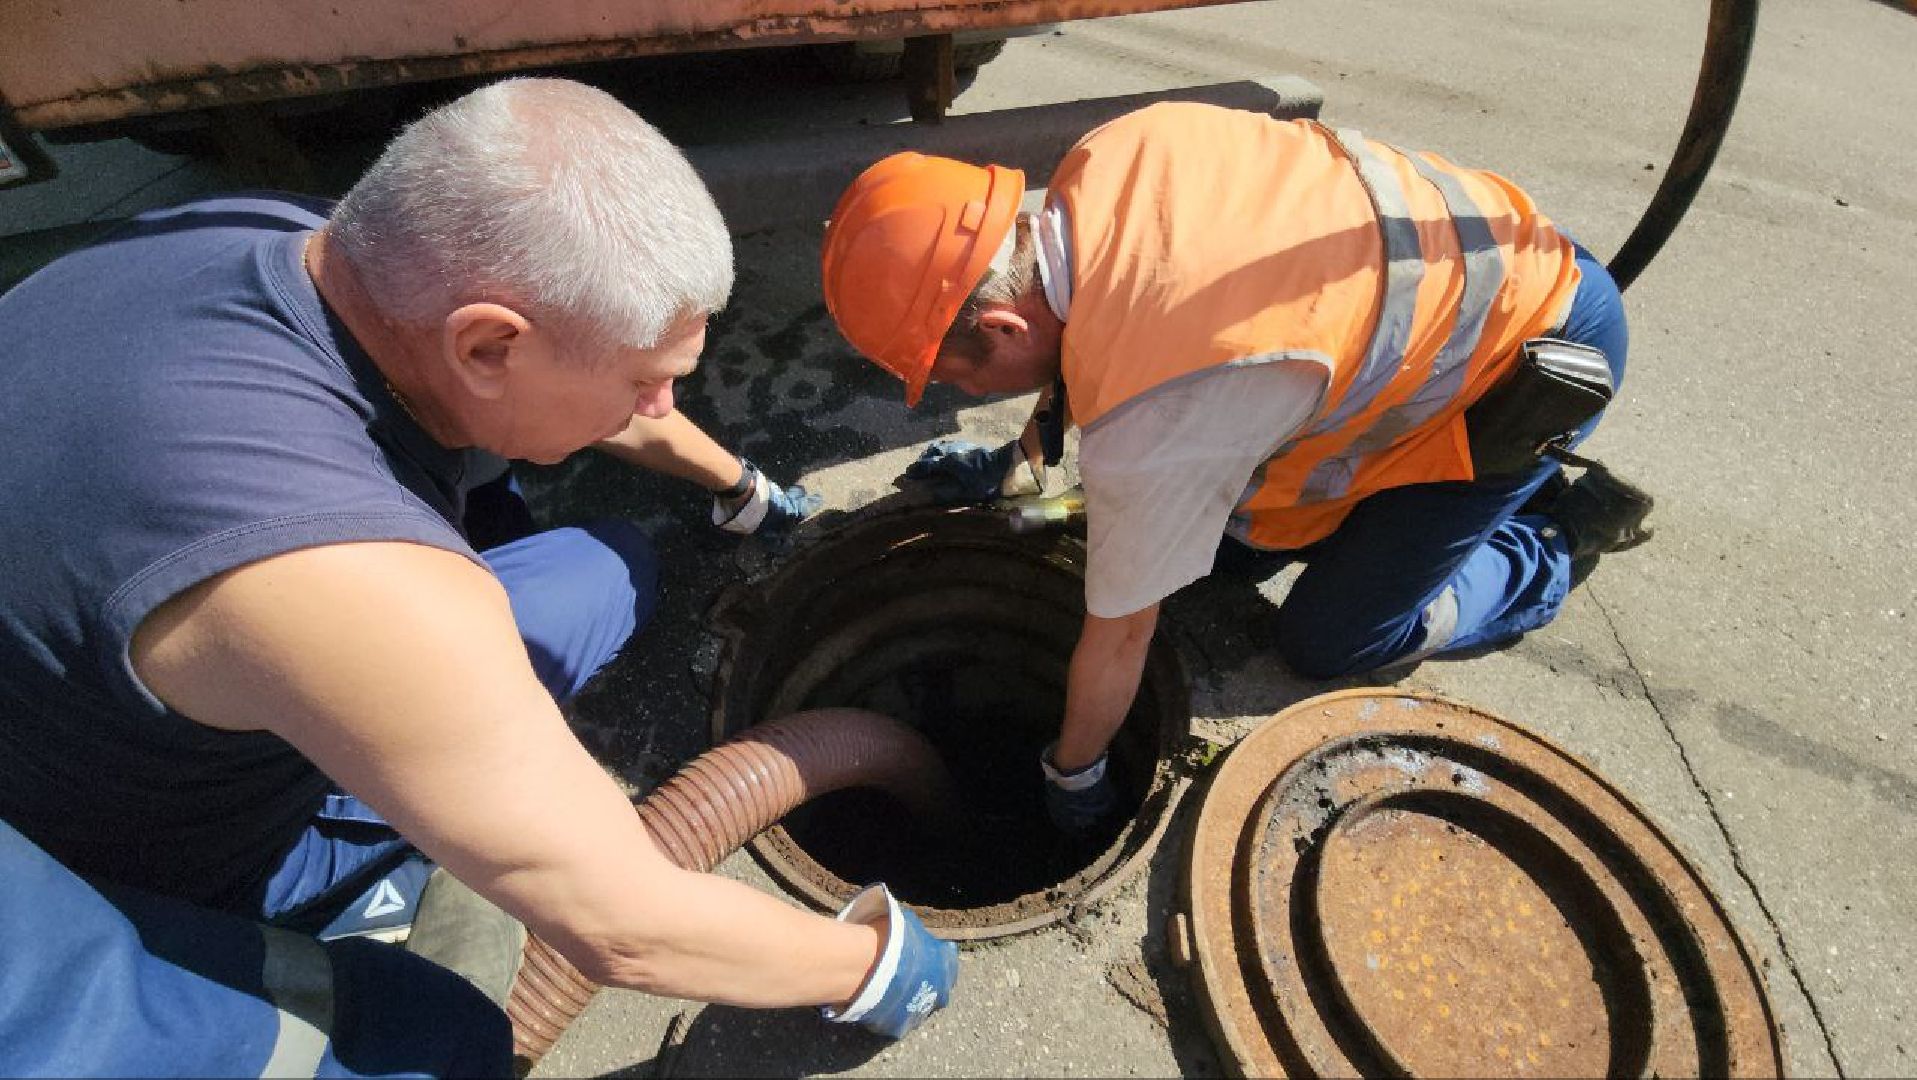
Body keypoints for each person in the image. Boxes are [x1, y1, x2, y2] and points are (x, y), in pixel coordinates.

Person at [0, 78, 953, 1075]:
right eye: (643, 381)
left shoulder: (299, 246)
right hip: (136, 870)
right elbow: (630, 929)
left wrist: (742, 487)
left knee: (610, 569)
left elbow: (596, 388)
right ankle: (340, 934)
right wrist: (884, 966)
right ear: (488, 345)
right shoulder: (353, 578)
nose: (664, 404)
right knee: (446, 1040)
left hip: (147, 690)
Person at [819, 103, 1655, 834]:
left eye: (957, 376)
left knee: (1332, 640)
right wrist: (1015, 462)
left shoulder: (1166, 404)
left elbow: (1120, 640)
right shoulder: (1111, 158)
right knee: (1225, 557)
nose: (962, 391)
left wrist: (1070, 772)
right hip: (1475, 269)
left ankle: (1550, 535)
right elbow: (1100, 335)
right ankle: (1469, 509)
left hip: (1521, 363)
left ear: (1001, 324)